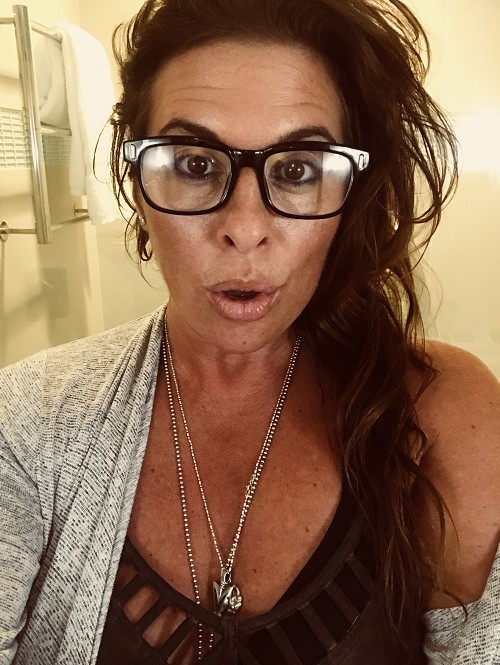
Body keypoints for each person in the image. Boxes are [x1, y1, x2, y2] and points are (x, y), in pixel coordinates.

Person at [0, 0, 499, 663]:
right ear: (135, 180)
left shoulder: (442, 411)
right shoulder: (29, 419)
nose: (244, 227)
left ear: (350, 196)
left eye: (297, 169)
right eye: (194, 163)